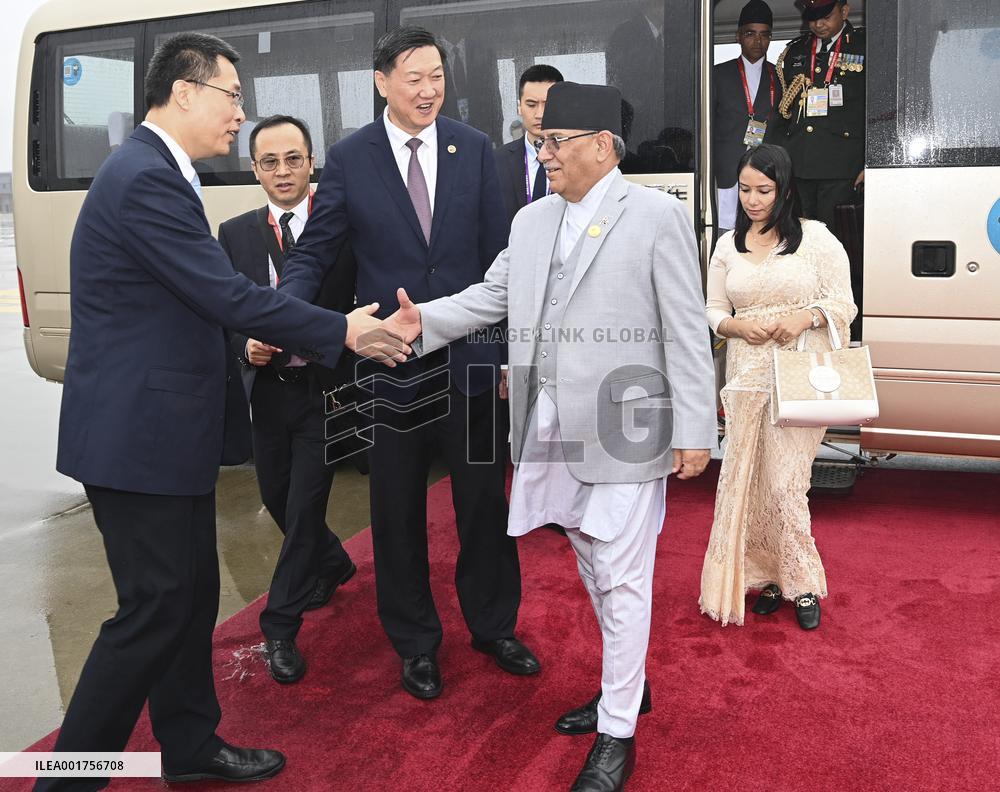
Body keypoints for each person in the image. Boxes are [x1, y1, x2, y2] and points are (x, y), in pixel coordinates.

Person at [43, 33, 407, 792]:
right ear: (184, 92)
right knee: (153, 610)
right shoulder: (145, 178)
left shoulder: (159, 172)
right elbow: (226, 296)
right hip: (135, 441)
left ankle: (191, 746)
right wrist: (342, 328)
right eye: (231, 95)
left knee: (191, 595)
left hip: (161, 435)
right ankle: (66, 779)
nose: (240, 114)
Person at [384, 82, 718, 792]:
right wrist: (425, 323)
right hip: (549, 425)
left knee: (623, 577)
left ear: (602, 146)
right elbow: (491, 296)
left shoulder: (655, 216)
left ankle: (617, 732)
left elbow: (686, 329)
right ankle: (626, 686)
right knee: (591, 562)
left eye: (554, 141)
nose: (543, 153)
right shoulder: (532, 220)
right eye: (540, 141)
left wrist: (696, 428)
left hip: (629, 423)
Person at [277, 26, 539, 701]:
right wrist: (280, 310)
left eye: (437, 77)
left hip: (473, 359)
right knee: (396, 514)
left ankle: (492, 625)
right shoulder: (350, 158)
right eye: (414, 77)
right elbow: (316, 253)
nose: (428, 90)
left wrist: (509, 352)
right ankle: (416, 642)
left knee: (484, 502)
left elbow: (501, 259)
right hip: (390, 368)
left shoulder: (474, 150)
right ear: (382, 81)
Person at [218, 115, 358, 685]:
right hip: (269, 395)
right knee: (276, 497)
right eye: (270, 162)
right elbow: (223, 308)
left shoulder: (340, 226)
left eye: (293, 159)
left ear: (310, 162)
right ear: (255, 170)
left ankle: (280, 625)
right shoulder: (235, 233)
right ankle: (334, 561)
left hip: (325, 391)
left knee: (303, 508)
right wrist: (241, 342)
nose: (282, 171)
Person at [699, 143, 856, 630]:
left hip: (798, 377)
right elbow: (712, 310)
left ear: (784, 189)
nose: (752, 200)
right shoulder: (727, 244)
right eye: (745, 189)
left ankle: (803, 582)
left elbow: (844, 305)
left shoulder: (817, 239)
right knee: (752, 480)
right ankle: (767, 577)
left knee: (787, 483)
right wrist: (735, 328)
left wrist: (803, 316)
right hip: (746, 377)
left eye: (763, 190)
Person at [763, 0, 865, 230]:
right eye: (812, 18)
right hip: (799, 164)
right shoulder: (796, 51)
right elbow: (782, 111)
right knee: (799, 238)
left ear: (845, 11)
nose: (818, 24)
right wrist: (773, 162)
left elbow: (880, 111)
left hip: (844, 166)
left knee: (836, 241)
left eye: (826, 17)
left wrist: (871, 163)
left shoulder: (864, 46)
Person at [714, 0, 781, 231]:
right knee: (726, 235)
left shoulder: (780, 76)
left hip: (766, 172)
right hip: (727, 172)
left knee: (764, 234)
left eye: (765, 35)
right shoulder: (717, 74)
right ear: (738, 36)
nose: (758, 41)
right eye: (750, 33)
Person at [494, 64, 564, 227]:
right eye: (531, 105)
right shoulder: (495, 161)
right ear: (519, 106)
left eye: (548, 104)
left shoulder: (577, 158)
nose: (539, 114)